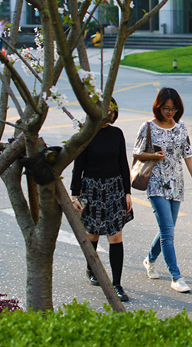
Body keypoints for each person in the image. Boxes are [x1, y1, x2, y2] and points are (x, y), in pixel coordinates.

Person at [134, 88, 192, 293]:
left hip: (176, 184)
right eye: (166, 108)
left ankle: (149, 259)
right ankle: (176, 277)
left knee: (168, 229)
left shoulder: (181, 127)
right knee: (167, 231)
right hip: (155, 183)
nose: (169, 113)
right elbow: (137, 154)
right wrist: (154, 157)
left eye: (173, 109)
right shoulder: (147, 127)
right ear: (158, 107)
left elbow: (188, 155)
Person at [71, 98, 133, 302]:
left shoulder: (117, 134)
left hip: (115, 188)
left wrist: (127, 192)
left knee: (115, 236)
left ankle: (116, 284)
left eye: (112, 110)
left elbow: (123, 164)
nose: (109, 114)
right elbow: (77, 166)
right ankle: (91, 269)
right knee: (93, 234)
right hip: (92, 189)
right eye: (104, 110)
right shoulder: (86, 135)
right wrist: (75, 194)